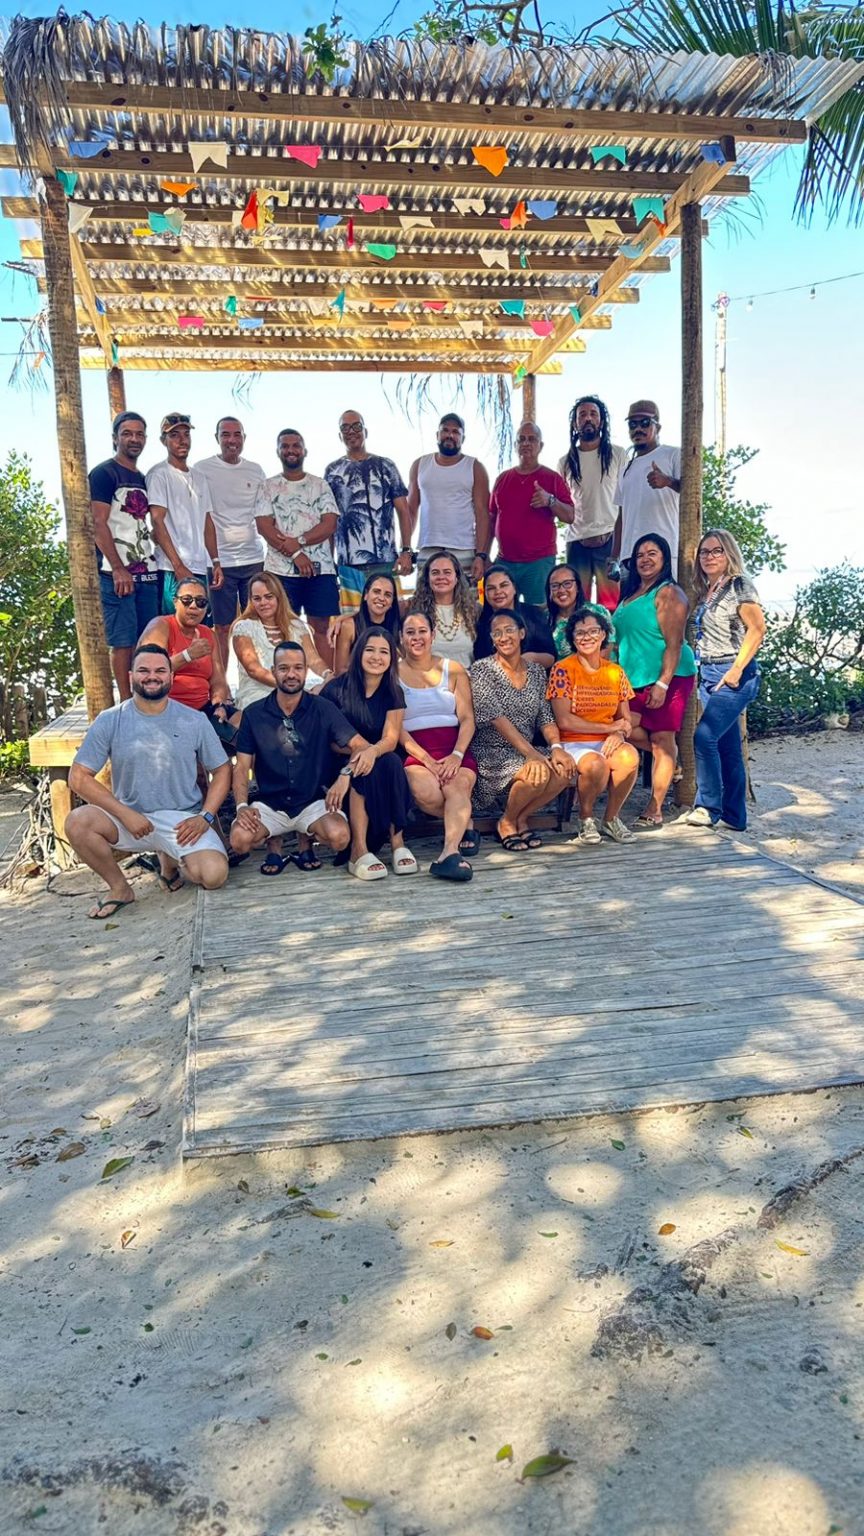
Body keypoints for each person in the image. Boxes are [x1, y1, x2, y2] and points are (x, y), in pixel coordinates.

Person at [65, 643, 230, 918]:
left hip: (183, 821)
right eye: (143, 670)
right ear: (130, 676)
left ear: (171, 676)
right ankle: (120, 888)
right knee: (77, 821)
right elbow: (78, 778)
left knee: (214, 876)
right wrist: (124, 813)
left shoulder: (194, 719)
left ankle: (171, 862)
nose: (151, 676)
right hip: (129, 818)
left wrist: (206, 816)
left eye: (159, 670)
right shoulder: (110, 720)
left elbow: (223, 769)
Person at [229, 641, 371, 874]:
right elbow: (242, 767)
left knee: (340, 837)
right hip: (269, 804)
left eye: (298, 668)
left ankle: (305, 838)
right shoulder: (254, 714)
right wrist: (242, 806)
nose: (291, 674)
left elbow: (362, 747)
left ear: (306, 671)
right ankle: (273, 842)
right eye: (284, 668)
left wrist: (345, 775)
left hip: (313, 802)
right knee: (239, 840)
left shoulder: (323, 708)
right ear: (273, 671)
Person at [470, 608, 576, 850]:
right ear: (492, 639)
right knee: (535, 772)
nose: (504, 637)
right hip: (491, 752)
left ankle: (520, 817)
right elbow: (497, 719)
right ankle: (507, 822)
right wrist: (532, 755)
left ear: (521, 633)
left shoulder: (537, 672)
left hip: (526, 749)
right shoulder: (482, 670)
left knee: (565, 769)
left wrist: (556, 747)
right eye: (497, 633)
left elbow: (545, 717)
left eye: (509, 630)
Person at [613, 533, 697, 830]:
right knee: (623, 729)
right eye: (640, 555)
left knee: (662, 739)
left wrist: (663, 683)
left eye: (653, 553)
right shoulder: (631, 594)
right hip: (633, 678)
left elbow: (674, 643)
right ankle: (670, 760)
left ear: (664, 559)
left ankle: (656, 808)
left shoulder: (668, 592)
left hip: (668, 676)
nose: (645, 559)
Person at [685, 528, 766, 831]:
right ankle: (735, 816)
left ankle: (708, 807)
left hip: (734, 672)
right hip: (708, 672)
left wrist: (734, 672)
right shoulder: (707, 589)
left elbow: (757, 629)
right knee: (728, 746)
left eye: (716, 550)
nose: (709, 556)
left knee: (704, 736)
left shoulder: (739, 585)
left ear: (729, 553)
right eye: (704, 552)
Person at [321, 627, 417, 878]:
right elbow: (327, 740)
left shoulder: (393, 691)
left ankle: (398, 843)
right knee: (369, 766)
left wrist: (369, 753)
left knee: (392, 761)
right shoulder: (336, 689)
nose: (377, 657)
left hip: (378, 759)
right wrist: (356, 761)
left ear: (391, 658)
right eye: (370, 650)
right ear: (358, 652)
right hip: (338, 761)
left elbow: (391, 738)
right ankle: (358, 850)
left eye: (384, 651)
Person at [546, 607, 640, 845]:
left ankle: (610, 819)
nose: (587, 637)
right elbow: (564, 720)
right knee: (595, 764)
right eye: (579, 633)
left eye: (593, 631)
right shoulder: (562, 670)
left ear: (603, 635)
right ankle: (586, 818)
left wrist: (619, 733)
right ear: (572, 639)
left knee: (629, 757)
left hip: (605, 739)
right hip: (572, 741)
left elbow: (625, 720)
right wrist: (610, 729)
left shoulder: (616, 672)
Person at [399, 611, 479, 882]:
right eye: (410, 632)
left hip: (453, 747)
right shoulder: (392, 673)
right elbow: (396, 728)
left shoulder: (452, 668)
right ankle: (464, 822)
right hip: (416, 750)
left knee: (457, 787)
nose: (417, 637)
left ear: (433, 635)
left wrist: (457, 755)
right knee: (426, 792)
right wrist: (427, 761)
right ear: (401, 638)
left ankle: (449, 852)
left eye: (422, 631)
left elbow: (467, 718)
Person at [254, 428, 340, 666]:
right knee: (280, 627)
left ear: (304, 451)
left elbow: (330, 523)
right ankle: (282, 683)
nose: (290, 450)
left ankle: (328, 684)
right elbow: (264, 526)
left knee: (321, 626)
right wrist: (296, 554)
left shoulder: (319, 485)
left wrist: (299, 542)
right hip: (280, 571)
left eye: (295, 446)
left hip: (320, 569)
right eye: (285, 446)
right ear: (278, 451)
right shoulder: (268, 486)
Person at [89, 410, 159, 698]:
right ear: (115, 437)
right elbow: (97, 522)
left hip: (147, 570)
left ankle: (145, 696)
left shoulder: (143, 477)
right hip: (115, 571)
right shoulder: (104, 474)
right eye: (127, 433)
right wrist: (118, 567)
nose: (134, 439)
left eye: (139, 433)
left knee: (148, 639)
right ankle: (126, 702)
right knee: (123, 640)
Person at [324, 410, 413, 616]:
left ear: (365, 431)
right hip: (349, 565)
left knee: (393, 620)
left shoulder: (386, 465)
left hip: (385, 561)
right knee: (352, 625)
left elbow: (403, 510)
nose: (351, 432)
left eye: (356, 426)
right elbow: (329, 519)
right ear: (340, 435)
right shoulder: (332, 471)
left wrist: (406, 550)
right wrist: (330, 563)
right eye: (345, 428)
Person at [193, 416, 265, 666]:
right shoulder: (202, 469)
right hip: (219, 561)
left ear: (244, 438)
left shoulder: (255, 470)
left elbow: (264, 513)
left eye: (237, 435)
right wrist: (214, 560)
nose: (231, 440)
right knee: (221, 626)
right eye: (225, 434)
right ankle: (221, 685)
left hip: (254, 558)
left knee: (255, 623)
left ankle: (256, 680)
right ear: (217, 438)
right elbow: (204, 517)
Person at [488, 422, 574, 609]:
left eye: (532, 439)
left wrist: (550, 500)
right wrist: (485, 555)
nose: (526, 443)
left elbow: (570, 515)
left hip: (538, 563)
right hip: (505, 561)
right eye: (521, 439)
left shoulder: (551, 478)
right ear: (516, 445)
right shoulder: (503, 479)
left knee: (538, 616)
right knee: (500, 614)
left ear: (540, 446)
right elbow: (491, 519)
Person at [146, 411, 223, 613]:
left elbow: (207, 521)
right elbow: (157, 521)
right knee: (172, 627)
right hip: (171, 568)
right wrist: (178, 565)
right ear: (164, 441)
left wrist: (215, 561)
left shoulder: (199, 477)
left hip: (199, 566)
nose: (182, 440)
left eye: (186, 434)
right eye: (174, 435)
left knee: (199, 628)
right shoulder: (158, 475)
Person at [558, 395, 628, 611]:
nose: (588, 418)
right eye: (582, 415)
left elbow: (626, 498)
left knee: (613, 605)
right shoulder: (566, 461)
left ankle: (614, 646)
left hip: (610, 539)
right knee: (576, 604)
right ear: (575, 422)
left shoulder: (617, 454)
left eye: (593, 414)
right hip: (577, 541)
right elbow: (563, 503)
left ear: (601, 420)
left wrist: (618, 547)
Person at [139, 578, 233, 735]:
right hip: (166, 708)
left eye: (201, 602)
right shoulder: (160, 625)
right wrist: (187, 655)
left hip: (204, 709)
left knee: (245, 726)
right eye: (187, 600)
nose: (194, 606)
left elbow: (218, 680)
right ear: (175, 602)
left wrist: (219, 706)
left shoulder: (208, 633)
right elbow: (149, 670)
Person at [407, 413, 490, 581]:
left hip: (464, 549)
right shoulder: (420, 465)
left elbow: (482, 514)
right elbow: (410, 511)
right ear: (437, 435)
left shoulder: (475, 467)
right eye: (445, 430)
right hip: (428, 547)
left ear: (462, 438)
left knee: (465, 603)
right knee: (425, 603)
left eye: (455, 432)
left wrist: (481, 555)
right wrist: (406, 549)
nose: (450, 435)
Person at [231, 572, 330, 711]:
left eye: (268, 597)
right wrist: (292, 689)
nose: (263, 603)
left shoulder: (296, 625)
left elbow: (313, 659)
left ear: (279, 597)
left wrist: (327, 675)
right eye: (257, 598)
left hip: (294, 689)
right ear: (251, 601)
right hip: (257, 694)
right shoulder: (244, 627)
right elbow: (254, 670)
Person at [614, 400, 681, 574]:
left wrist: (668, 481)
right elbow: (621, 517)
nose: (638, 429)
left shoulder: (673, 454)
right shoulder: (624, 470)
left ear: (657, 427)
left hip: (664, 551)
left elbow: (692, 493)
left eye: (645, 423)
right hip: (630, 557)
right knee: (629, 602)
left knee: (667, 601)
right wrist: (614, 557)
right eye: (632, 424)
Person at [473, 564, 555, 668]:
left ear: (515, 588)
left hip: (534, 677)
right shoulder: (481, 622)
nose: (498, 592)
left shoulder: (534, 614)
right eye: (491, 588)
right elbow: (479, 662)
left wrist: (530, 658)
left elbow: (551, 657)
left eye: (504, 585)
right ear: (485, 594)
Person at [410, 549, 478, 668]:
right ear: (427, 578)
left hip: (467, 679)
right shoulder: (413, 609)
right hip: (429, 680)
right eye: (435, 572)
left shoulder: (474, 610)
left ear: (457, 577)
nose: (441, 577)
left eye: (447, 572)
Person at [331, 571, 404, 676]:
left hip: (387, 685)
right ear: (366, 595)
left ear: (392, 601)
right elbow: (340, 671)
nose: (381, 598)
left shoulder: (397, 626)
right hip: (354, 685)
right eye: (376, 592)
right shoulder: (349, 626)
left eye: (388, 595)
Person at [545, 563, 590, 658]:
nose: (561, 590)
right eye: (555, 586)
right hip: (556, 672)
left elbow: (605, 650)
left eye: (567, 584)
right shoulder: (544, 619)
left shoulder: (596, 612)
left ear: (577, 587)